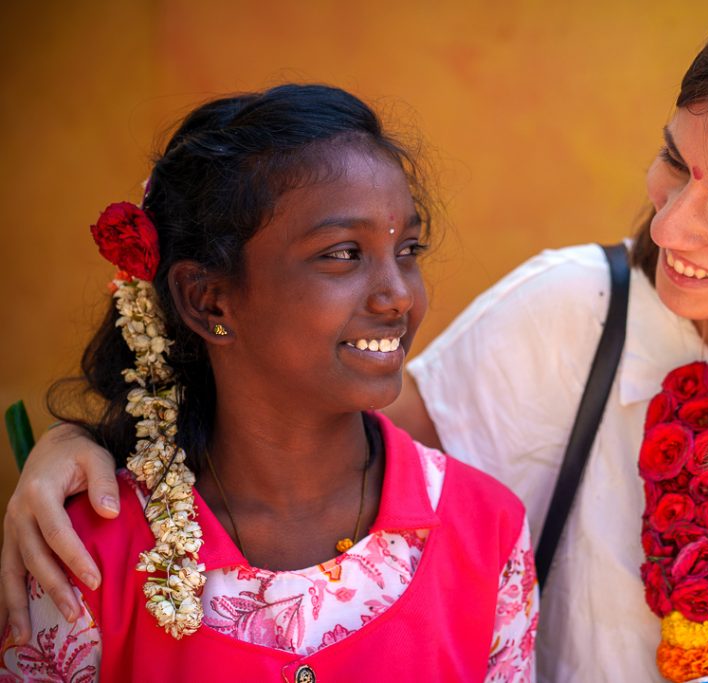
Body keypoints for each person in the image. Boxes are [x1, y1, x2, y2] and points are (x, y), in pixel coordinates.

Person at [1, 1, 708, 681]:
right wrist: (91, 442)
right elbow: (296, 424)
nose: (670, 227)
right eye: (672, 163)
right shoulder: (571, 311)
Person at [0, 84, 536, 681]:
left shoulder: (484, 532)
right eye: (343, 254)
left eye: (407, 248)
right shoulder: (87, 551)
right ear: (208, 300)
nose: (400, 296)